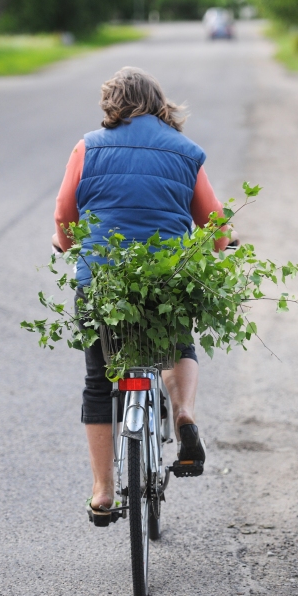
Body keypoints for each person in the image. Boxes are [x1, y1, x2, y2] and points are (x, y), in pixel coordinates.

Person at [51, 67, 230, 525]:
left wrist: (67, 245)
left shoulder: (87, 146)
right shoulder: (187, 152)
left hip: (102, 282)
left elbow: (65, 217)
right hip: (166, 279)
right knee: (178, 344)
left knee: (98, 381)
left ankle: (103, 491)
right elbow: (216, 226)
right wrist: (216, 251)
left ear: (112, 104)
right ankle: (185, 414)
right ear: (158, 102)